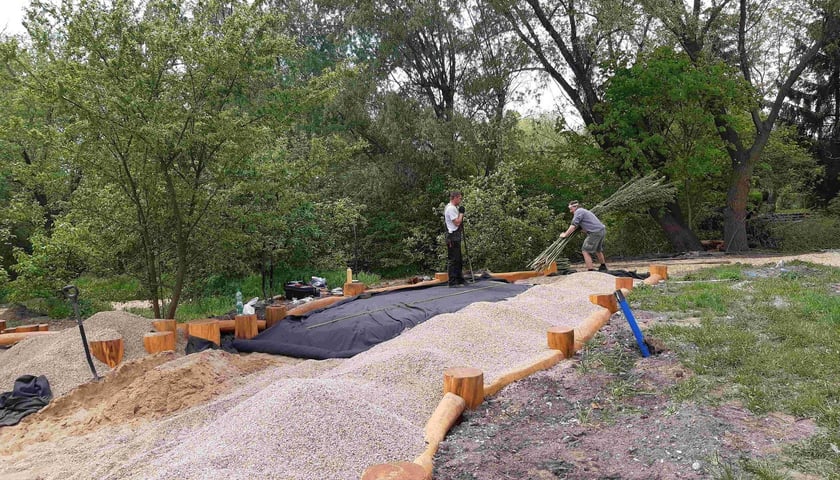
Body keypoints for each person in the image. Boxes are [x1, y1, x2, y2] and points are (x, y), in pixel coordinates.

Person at [560, 200, 608, 272]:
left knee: (585, 251)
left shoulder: (578, 211)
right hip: (601, 230)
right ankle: (603, 267)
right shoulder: (584, 211)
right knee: (598, 250)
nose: (570, 211)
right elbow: (587, 225)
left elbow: (573, 225)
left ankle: (590, 270)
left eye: (571, 209)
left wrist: (565, 235)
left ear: (575, 207)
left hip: (595, 232)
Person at [444, 191, 466, 287]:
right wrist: (461, 213)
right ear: (455, 197)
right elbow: (457, 222)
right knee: (453, 260)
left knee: (458, 259)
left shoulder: (452, 207)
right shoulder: (451, 208)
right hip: (452, 236)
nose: (460, 200)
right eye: (460, 198)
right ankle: (452, 282)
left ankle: (459, 279)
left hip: (455, 235)